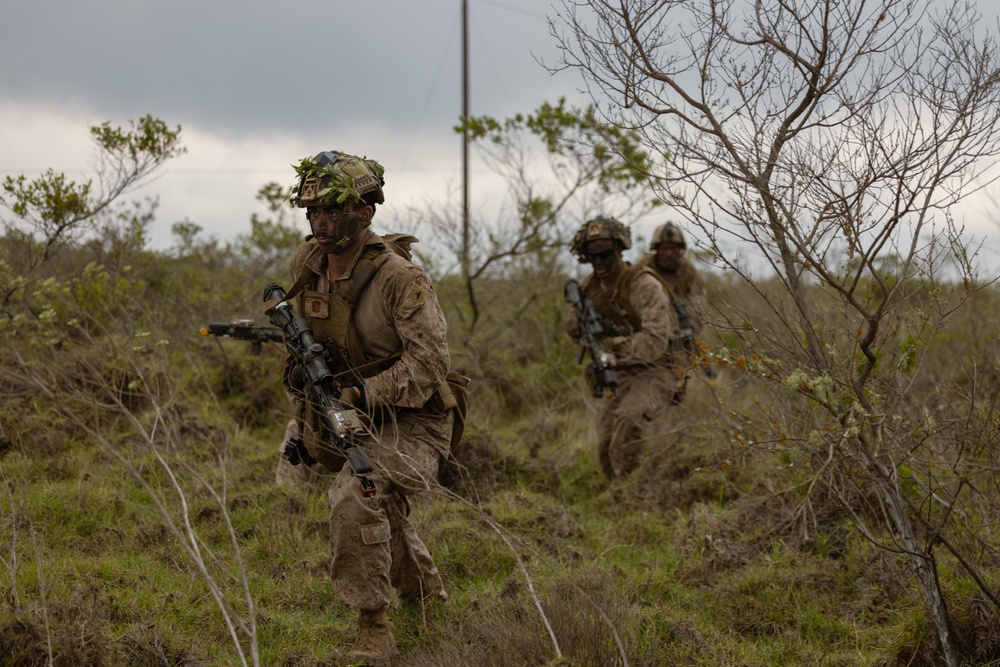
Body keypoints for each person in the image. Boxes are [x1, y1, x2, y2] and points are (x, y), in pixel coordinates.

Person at [277, 150, 460, 663]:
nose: (321, 221)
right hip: (341, 411)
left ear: (366, 212)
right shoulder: (307, 264)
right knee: (371, 506)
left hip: (416, 418)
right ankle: (425, 601)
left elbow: (429, 366)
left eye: (333, 210)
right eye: (313, 211)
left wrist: (362, 394)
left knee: (357, 494)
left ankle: (373, 623)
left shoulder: (402, 278)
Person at [567, 215, 681, 480]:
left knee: (628, 422)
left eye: (605, 254)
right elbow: (573, 326)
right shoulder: (588, 287)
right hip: (619, 372)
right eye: (591, 255)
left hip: (657, 369)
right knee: (605, 440)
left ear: (619, 250)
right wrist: (584, 328)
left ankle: (632, 493)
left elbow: (655, 341)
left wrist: (611, 347)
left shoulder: (644, 285)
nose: (599, 262)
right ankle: (617, 491)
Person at [635, 221, 709, 392]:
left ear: (680, 250)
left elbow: (697, 308)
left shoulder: (690, 273)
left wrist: (685, 328)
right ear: (656, 249)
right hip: (646, 330)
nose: (669, 254)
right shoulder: (642, 268)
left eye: (673, 249)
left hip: (677, 337)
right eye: (664, 249)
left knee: (677, 386)